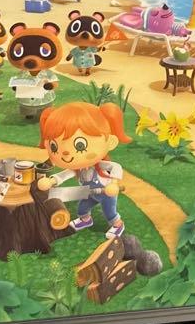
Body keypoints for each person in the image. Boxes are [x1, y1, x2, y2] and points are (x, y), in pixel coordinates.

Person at [36, 101, 130, 238]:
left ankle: (118, 225)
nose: (66, 153)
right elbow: (65, 174)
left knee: (109, 212)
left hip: (106, 193)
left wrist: (114, 184)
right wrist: (51, 181)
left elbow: (116, 167)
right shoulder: (78, 168)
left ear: (110, 142)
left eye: (80, 146)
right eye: (54, 147)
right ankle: (86, 220)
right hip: (89, 192)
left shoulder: (99, 165)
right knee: (83, 208)